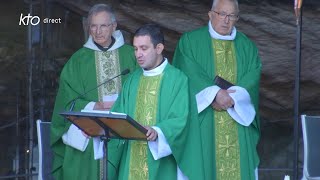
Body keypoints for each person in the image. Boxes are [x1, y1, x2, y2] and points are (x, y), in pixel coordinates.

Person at [172, 0, 261, 179]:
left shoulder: (247, 47)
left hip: (238, 122)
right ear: (210, 14)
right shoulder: (190, 41)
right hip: (203, 124)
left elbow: (252, 76)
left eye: (232, 16)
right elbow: (187, 71)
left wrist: (234, 98)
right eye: (221, 14)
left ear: (237, 18)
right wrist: (213, 94)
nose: (226, 20)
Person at [50, 4, 137, 179]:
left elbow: (143, 89)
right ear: (88, 28)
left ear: (114, 26)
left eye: (103, 25)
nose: (98, 31)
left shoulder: (131, 55)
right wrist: (93, 105)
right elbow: (66, 100)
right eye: (93, 26)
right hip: (89, 132)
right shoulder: (78, 60)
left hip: (124, 132)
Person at [110, 24, 204, 180]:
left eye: (144, 48)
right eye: (135, 49)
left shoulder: (178, 79)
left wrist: (158, 131)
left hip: (162, 165)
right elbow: (118, 115)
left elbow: (183, 120)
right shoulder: (132, 80)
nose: (138, 54)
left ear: (159, 48)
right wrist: (99, 129)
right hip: (131, 160)